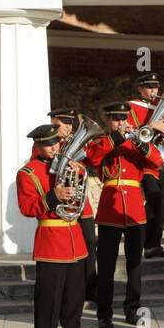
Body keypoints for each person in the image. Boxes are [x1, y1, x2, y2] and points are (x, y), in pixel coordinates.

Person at [86, 102, 164, 328]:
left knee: (134, 263)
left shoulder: (137, 143)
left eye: (124, 119)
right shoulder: (102, 142)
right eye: (116, 119)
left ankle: (133, 309)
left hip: (133, 210)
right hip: (110, 209)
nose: (121, 123)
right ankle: (104, 312)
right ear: (108, 122)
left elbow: (157, 161)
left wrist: (141, 143)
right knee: (107, 263)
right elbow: (93, 159)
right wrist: (116, 139)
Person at [18, 124, 91, 328]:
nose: (54, 147)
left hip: (75, 239)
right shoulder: (27, 173)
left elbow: (80, 198)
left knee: (75, 298)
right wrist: (53, 196)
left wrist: (78, 174)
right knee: (48, 300)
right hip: (50, 241)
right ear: (37, 146)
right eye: (48, 144)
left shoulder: (70, 165)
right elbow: (27, 208)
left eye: (56, 143)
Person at [48, 107, 98, 303]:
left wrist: (79, 167)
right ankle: (73, 287)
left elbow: (92, 158)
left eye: (70, 123)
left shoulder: (74, 143)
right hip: (62, 202)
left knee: (90, 244)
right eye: (64, 123)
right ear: (54, 122)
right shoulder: (47, 143)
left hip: (79, 203)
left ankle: (90, 288)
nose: (69, 127)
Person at [129, 71, 164, 259]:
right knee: (152, 198)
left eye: (155, 87)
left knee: (162, 203)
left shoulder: (161, 107)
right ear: (140, 89)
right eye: (149, 87)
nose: (153, 90)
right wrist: (151, 127)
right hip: (142, 162)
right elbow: (129, 132)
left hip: (160, 161)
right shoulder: (131, 107)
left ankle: (154, 244)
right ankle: (141, 241)